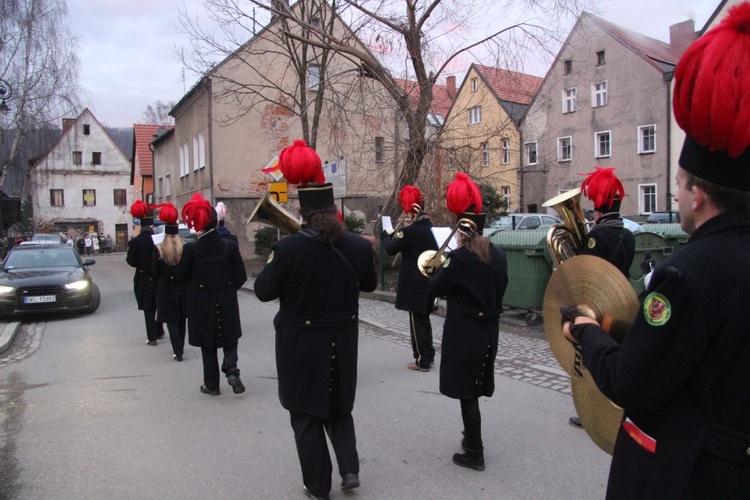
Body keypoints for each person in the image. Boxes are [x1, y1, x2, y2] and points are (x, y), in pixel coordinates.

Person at [561, 6, 750, 497]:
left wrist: (585, 332)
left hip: (686, 473)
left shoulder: (686, 276)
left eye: (681, 185)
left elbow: (631, 382)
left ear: (698, 195)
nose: (677, 195)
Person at [254, 140, 377, 500]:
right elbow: (369, 284)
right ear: (333, 209)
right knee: (339, 405)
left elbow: (262, 291)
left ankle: (318, 486)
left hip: (301, 346)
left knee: (306, 416)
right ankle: (350, 470)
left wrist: (283, 257)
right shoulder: (356, 246)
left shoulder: (287, 249)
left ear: (303, 212)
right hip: (343, 341)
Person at [428, 172, 508, 472]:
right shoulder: (498, 256)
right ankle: (470, 438)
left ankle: (474, 451)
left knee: (467, 393)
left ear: (462, 230)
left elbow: (435, 287)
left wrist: (444, 267)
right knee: (473, 387)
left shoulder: (460, 259)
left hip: (465, 333)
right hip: (489, 331)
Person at [568, 166, 636, 429]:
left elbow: (588, 275)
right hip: (622, 300)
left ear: (598, 206)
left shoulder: (597, 235)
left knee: (594, 356)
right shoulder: (628, 235)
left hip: (599, 305)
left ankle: (592, 412)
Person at [176, 193, 247, 396]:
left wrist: (196, 291)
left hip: (201, 302)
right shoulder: (230, 245)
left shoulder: (191, 249)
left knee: (208, 345)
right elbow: (241, 276)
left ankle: (212, 385)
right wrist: (227, 289)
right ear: (216, 222)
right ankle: (232, 369)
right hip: (226, 297)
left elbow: (181, 277)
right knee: (230, 336)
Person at [381, 185, 438, 372]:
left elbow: (390, 248)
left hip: (414, 283)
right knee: (424, 320)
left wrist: (385, 234)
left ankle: (421, 359)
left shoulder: (411, 231)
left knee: (416, 323)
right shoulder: (431, 228)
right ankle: (428, 354)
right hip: (428, 280)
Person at [152, 203, 187, 361]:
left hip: (166, 287)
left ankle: (177, 350)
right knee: (181, 318)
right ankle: (181, 347)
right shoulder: (184, 247)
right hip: (181, 287)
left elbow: (155, 271)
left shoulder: (159, 248)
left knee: (171, 320)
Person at [126, 201, 161, 345]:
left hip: (143, 276)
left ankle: (152, 337)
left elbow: (130, 261)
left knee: (148, 307)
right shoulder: (158, 240)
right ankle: (159, 330)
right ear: (151, 226)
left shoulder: (135, 243)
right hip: (158, 275)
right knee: (159, 304)